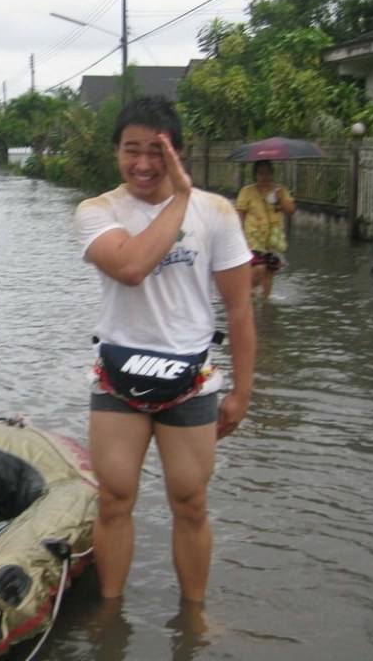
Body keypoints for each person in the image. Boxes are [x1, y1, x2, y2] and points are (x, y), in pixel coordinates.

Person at [73, 96, 255, 605]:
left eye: (158, 151)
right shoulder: (98, 211)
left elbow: (240, 309)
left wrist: (243, 391)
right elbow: (130, 268)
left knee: (191, 502)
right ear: (116, 152)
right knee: (114, 499)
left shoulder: (216, 213)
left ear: (176, 151)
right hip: (116, 378)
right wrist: (180, 197)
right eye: (132, 150)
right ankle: (111, 614)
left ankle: (193, 617)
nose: (145, 164)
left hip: (192, 380)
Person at [235, 160, 297, 298]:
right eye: (261, 173)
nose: (264, 177)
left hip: (273, 239)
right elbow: (240, 214)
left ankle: (264, 303)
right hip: (253, 237)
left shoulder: (280, 191)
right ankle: (245, 292)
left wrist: (281, 198)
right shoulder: (247, 191)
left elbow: (291, 210)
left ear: (272, 174)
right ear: (255, 175)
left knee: (269, 272)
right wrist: (238, 237)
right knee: (259, 268)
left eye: (268, 173)